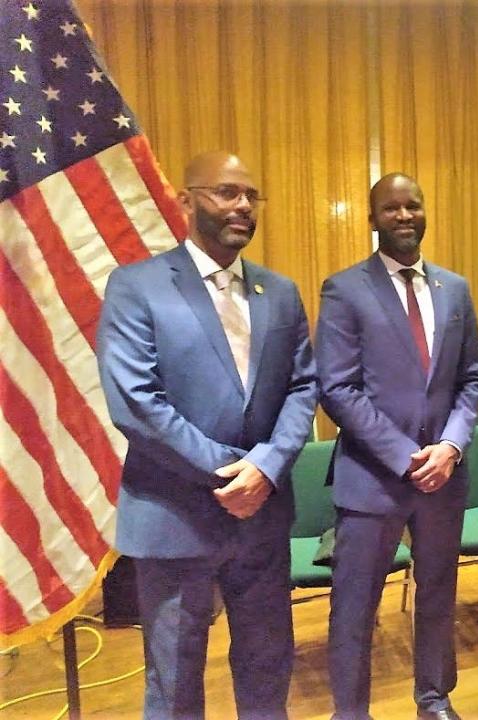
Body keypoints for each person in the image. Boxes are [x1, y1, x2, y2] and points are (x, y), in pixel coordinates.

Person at [96, 151, 317, 719]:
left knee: (269, 666)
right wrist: (232, 472)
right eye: (225, 192)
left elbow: (302, 388)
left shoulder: (281, 292)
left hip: (263, 519)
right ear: (186, 200)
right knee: (174, 681)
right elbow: (137, 404)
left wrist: (266, 468)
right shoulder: (136, 286)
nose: (242, 205)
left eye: (250, 195)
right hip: (176, 517)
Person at [315, 173, 478, 720]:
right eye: (391, 208)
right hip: (372, 480)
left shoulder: (454, 289)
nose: (405, 215)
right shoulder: (344, 289)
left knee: (437, 593)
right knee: (355, 608)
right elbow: (337, 387)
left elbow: (472, 379)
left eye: (413, 206)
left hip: (444, 476)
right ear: (372, 218)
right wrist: (404, 456)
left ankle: (434, 698)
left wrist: (452, 446)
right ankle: (351, 711)